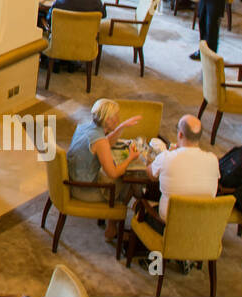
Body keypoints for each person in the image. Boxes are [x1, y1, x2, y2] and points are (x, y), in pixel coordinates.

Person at [66, 98, 143, 240]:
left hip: (74, 179)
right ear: (107, 119)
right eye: (116, 117)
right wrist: (130, 158)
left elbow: (106, 142)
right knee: (126, 182)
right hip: (83, 190)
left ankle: (112, 224)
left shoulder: (85, 127)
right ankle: (114, 225)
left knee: (122, 179)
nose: (118, 119)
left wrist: (121, 127)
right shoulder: (99, 141)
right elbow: (112, 172)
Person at [136, 114, 219, 233]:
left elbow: (150, 174)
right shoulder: (213, 159)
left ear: (180, 134)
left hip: (169, 226)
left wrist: (162, 156)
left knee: (139, 206)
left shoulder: (167, 157)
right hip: (201, 225)